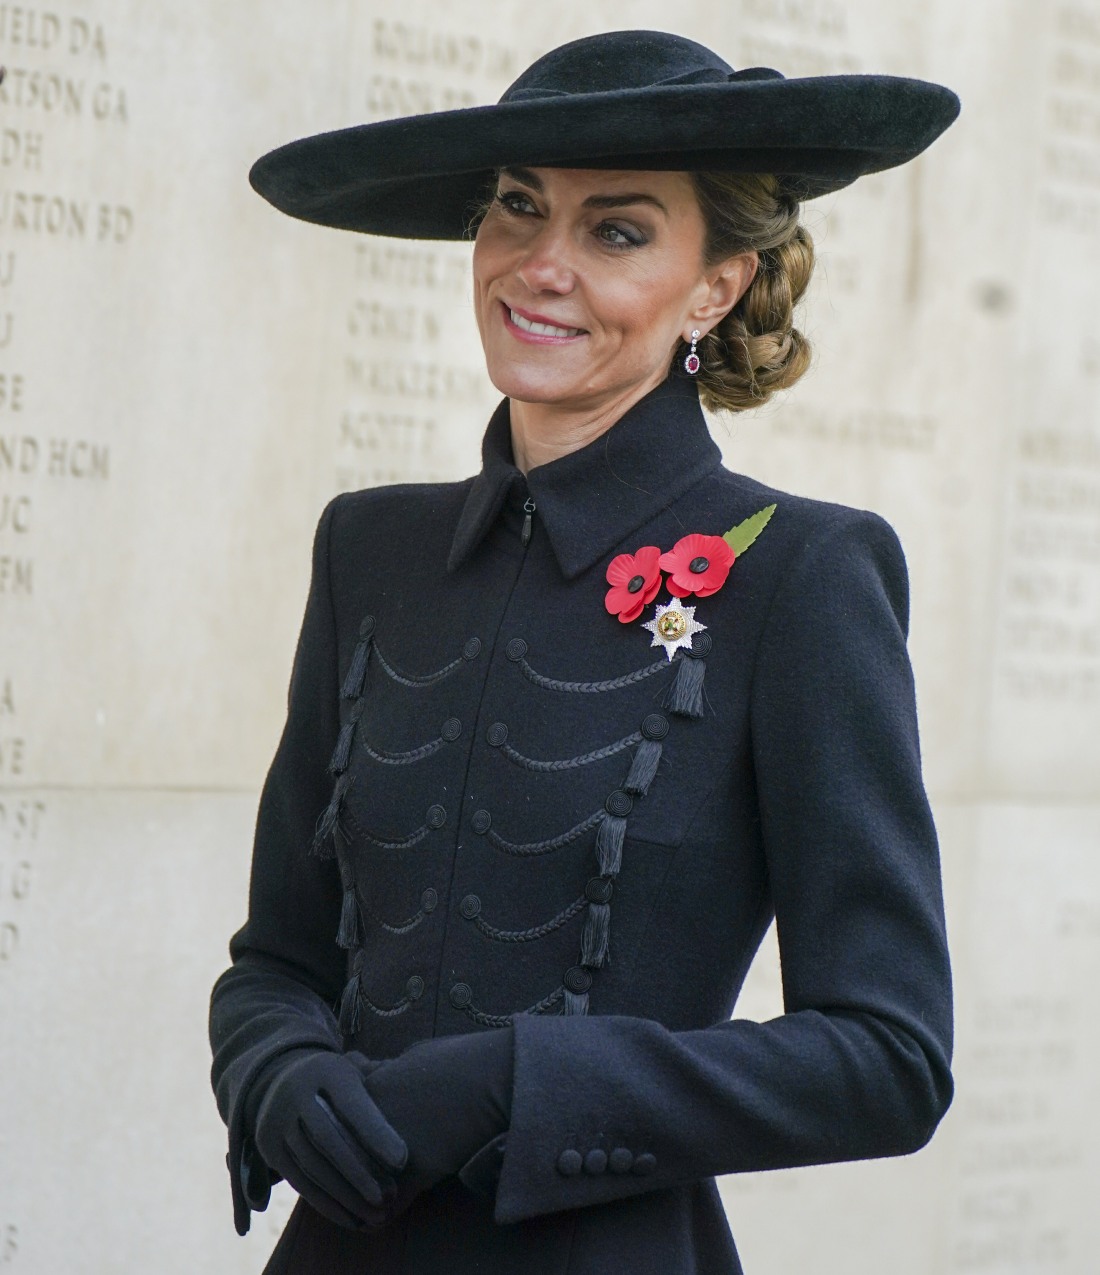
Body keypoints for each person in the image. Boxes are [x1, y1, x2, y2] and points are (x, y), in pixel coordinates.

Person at [209, 29, 960, 1275]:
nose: (539, 265)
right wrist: (273, 1068)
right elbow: (279, 956)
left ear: (713, 288)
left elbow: (887, 1058)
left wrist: (517, 1084)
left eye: (615, 231)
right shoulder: (368, 549)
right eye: (516, 207)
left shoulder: (803, 576)